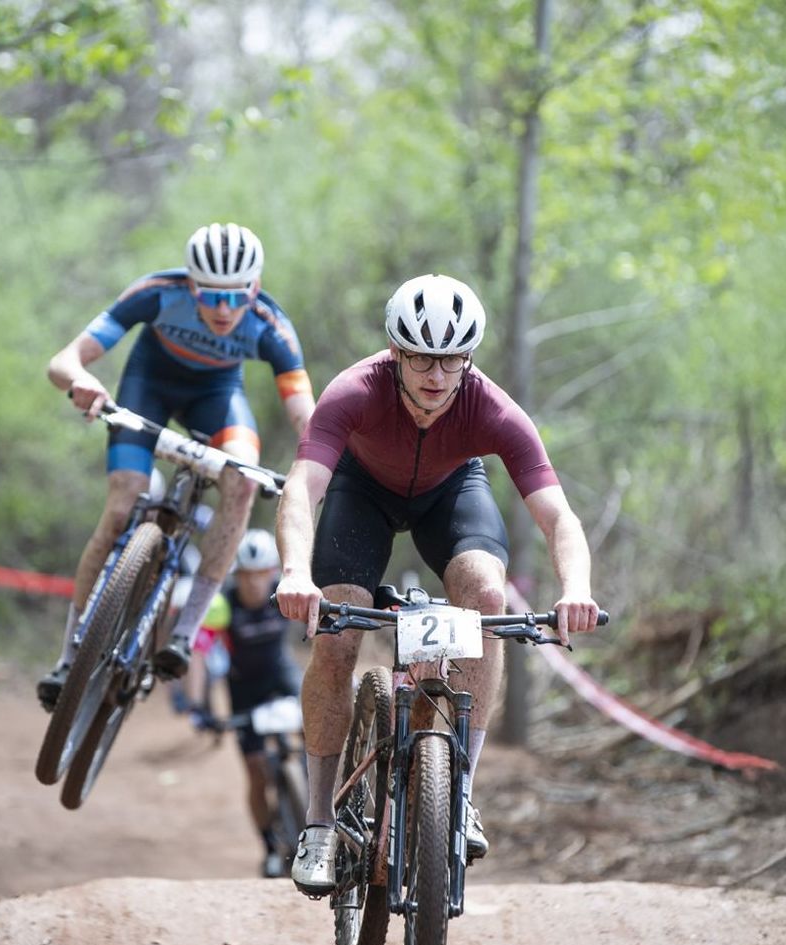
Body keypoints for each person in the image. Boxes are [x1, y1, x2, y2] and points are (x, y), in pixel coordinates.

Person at [273, 274, 601, 896]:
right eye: (421, 356)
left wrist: (575, 588)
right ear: (395, 353)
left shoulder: (492, 407)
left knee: (486, 597)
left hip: (449, 495)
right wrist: (295, 571)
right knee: (338, 631)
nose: (436, 373)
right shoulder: (353, 393)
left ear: (469, 358)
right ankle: (317, 823)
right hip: (360, 495)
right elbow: (301, 489)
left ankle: (462, 794)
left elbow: (558, 515)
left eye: (452, 358)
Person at [37, 222, 314, 711]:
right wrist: (81, 381)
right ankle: (68, 656)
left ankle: (184, 634)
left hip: (218, 400)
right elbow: (64, 360)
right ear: (190, 284)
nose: (225, 309)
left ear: (255, 287)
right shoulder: (156, 293)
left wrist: (323, 460)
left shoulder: (271, 326)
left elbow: (304, 415)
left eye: (237, 296)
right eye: (211, 295)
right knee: (123, 502)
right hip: (147, 388)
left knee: (242, 480)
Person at [203, 528, 303, 879]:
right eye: (247, 575)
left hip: (282, 676)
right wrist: (205, 709)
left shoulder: (285, 596)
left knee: (317, 733)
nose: (254, 583)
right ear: (238, 576)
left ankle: (316, 809)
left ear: (273, 574)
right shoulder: (224, 605)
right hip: (243, 689)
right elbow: (202, 655)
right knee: (257, 771)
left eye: (261, 575)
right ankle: (270, 847)